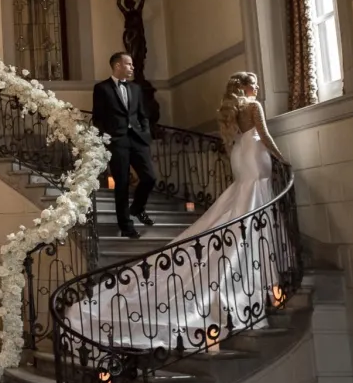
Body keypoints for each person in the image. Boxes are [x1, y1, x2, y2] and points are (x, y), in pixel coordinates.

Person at [65, 71, 285, 351]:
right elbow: (264, 135)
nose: (257, 86)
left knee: (244, 200)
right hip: (254, 153)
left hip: (241, 154)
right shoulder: (254, 106)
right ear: (244, 86)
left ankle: (256, 267)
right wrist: (282, 158)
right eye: (253, 83)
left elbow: (232, 140)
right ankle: (256, 273)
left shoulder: (234, 109)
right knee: (252, 202)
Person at [91, 52, 156, 238]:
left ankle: (137, 208)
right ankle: (126, 226)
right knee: (122, 183)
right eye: (129, 64)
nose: (132, 67)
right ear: (118, 65)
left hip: (137, 139)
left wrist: (145, 132)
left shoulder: (136, 88)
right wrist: (107, 138)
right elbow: (98, 117)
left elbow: (142, 114)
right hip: (117, 141)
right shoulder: (102, 88)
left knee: (150, 177)